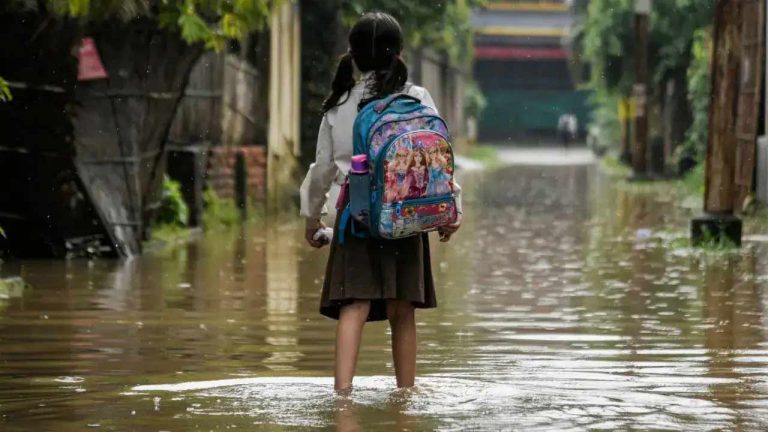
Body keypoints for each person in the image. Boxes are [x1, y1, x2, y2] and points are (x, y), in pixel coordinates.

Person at [299, 12, 462, 392]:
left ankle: (342, 398)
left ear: (353, 55)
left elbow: (322, 170)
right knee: (402, 310)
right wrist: (452, 209)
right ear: (399, 52)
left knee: (353, 306)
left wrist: (311, 220)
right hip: (406, 213)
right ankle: (406, 398)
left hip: (356, 216)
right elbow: (436, 159)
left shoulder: (339, 104)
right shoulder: (417, 98)